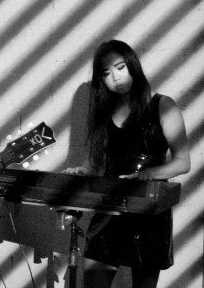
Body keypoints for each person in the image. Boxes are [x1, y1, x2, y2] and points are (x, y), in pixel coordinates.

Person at [64, 40, 190, 287]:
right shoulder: (104, 112)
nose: (115, 78)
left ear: (133, 66)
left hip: (149, 209)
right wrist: (83, 170)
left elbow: (183, 162)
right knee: (93, 282)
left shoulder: (162, 105)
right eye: (106, 73)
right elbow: (98, 162)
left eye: (120, 67)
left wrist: (150, 173)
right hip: (110, 208)